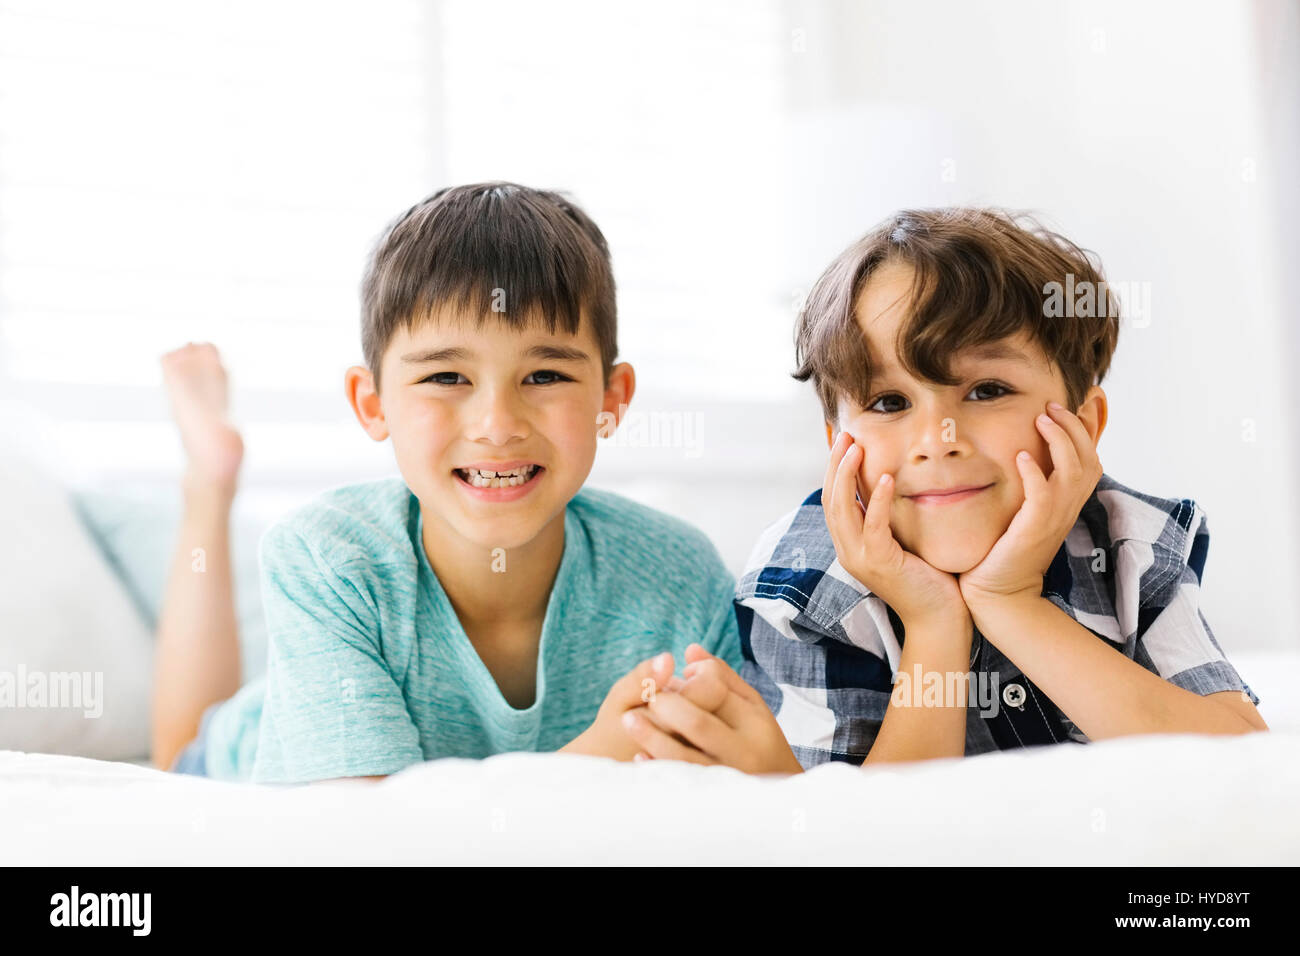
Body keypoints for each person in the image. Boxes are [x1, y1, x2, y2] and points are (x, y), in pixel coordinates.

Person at [618, 207, 1268, 771]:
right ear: (837, 446)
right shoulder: (806, 584)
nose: (939, 437)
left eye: (986, 390)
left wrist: (1012, 602)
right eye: (890, 401)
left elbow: (1238, 763)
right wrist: (933, 622)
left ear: (1084, 424)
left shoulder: (1132, 541)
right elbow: (864, 839)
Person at [150, 183, 743, 784]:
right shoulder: (325, 555)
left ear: (611, 401)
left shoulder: (680, 575)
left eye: (543, 375)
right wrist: (592, 764)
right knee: (175, 755)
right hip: (246, 751)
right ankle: (210, 481)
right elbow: (366, 832)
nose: (498, 427)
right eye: (447, 376)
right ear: (373, 403)